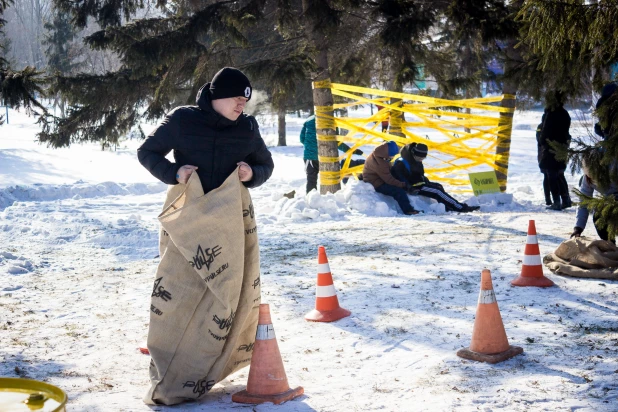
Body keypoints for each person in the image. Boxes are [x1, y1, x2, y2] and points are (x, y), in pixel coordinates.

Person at [137, 67, 274, 192]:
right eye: (238, 98)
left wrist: (252, 174)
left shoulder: (248, 126)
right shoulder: (182, 118)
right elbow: (147, 152)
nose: (242, 104)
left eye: (245, 100)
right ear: (220, 95)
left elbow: (266, 165)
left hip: (231, 211)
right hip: (189, 208)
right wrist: (175, 173)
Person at [391, 142, 479, 213]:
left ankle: (447, 206)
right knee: (437, 191)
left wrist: (425, 181)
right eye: (419, 158)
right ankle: (460, 207)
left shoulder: (415, 159)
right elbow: (399, 177)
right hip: (412, 187)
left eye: (422, 158)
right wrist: (409, 187)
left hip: (419, 183)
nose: (420, 160)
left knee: (438, 186)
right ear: (413, 153)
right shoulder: (401, 162)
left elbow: (418, 174)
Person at [299, 115, 364, 192]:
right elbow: (336, 141)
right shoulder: (332, 121)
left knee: (311, 180)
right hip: (326, 157)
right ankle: (330, 197)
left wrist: (311, 146)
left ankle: (311, 199)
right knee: (329, 180)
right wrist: (351, 150)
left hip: (310, 157)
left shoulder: (308, 120)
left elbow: (302, 139)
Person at [362, 141, 419, 215]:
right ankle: (408, 210)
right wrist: (403, 185)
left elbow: (389, 171)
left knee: (397, 172)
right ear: (387, 154)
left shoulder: (380, 153)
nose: (393, 157)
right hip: (375, 182)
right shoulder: (380, 163)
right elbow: (389, 180)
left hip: (380, 176)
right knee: (398, 191)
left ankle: (409, 187)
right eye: (392, 155)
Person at [538, 92, 572, 210]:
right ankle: (566, 199)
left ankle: (556, 201)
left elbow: (545, 132)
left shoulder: (551, 114)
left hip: (551, 148)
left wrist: (542, 141)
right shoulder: (565, 113)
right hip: (563, 147)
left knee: (551, 174)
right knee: (559, 174)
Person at [571, 167, 618, 243]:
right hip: (609, 200)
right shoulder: (587, 178)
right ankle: (610, 244)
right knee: (598, 215)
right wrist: (578, 228)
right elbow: (584, 202)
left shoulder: (614, 167)